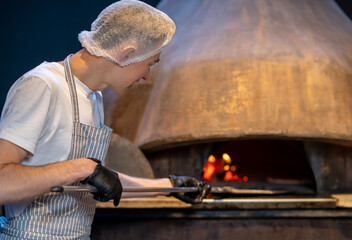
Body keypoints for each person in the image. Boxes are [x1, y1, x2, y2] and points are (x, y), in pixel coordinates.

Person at [0, 1, 210, 239]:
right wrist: (81, 168)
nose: (146, 76)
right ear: (127, 53)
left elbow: (97, 179)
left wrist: (170, 186)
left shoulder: (94, 98)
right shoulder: (43, 85)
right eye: (149, 64)